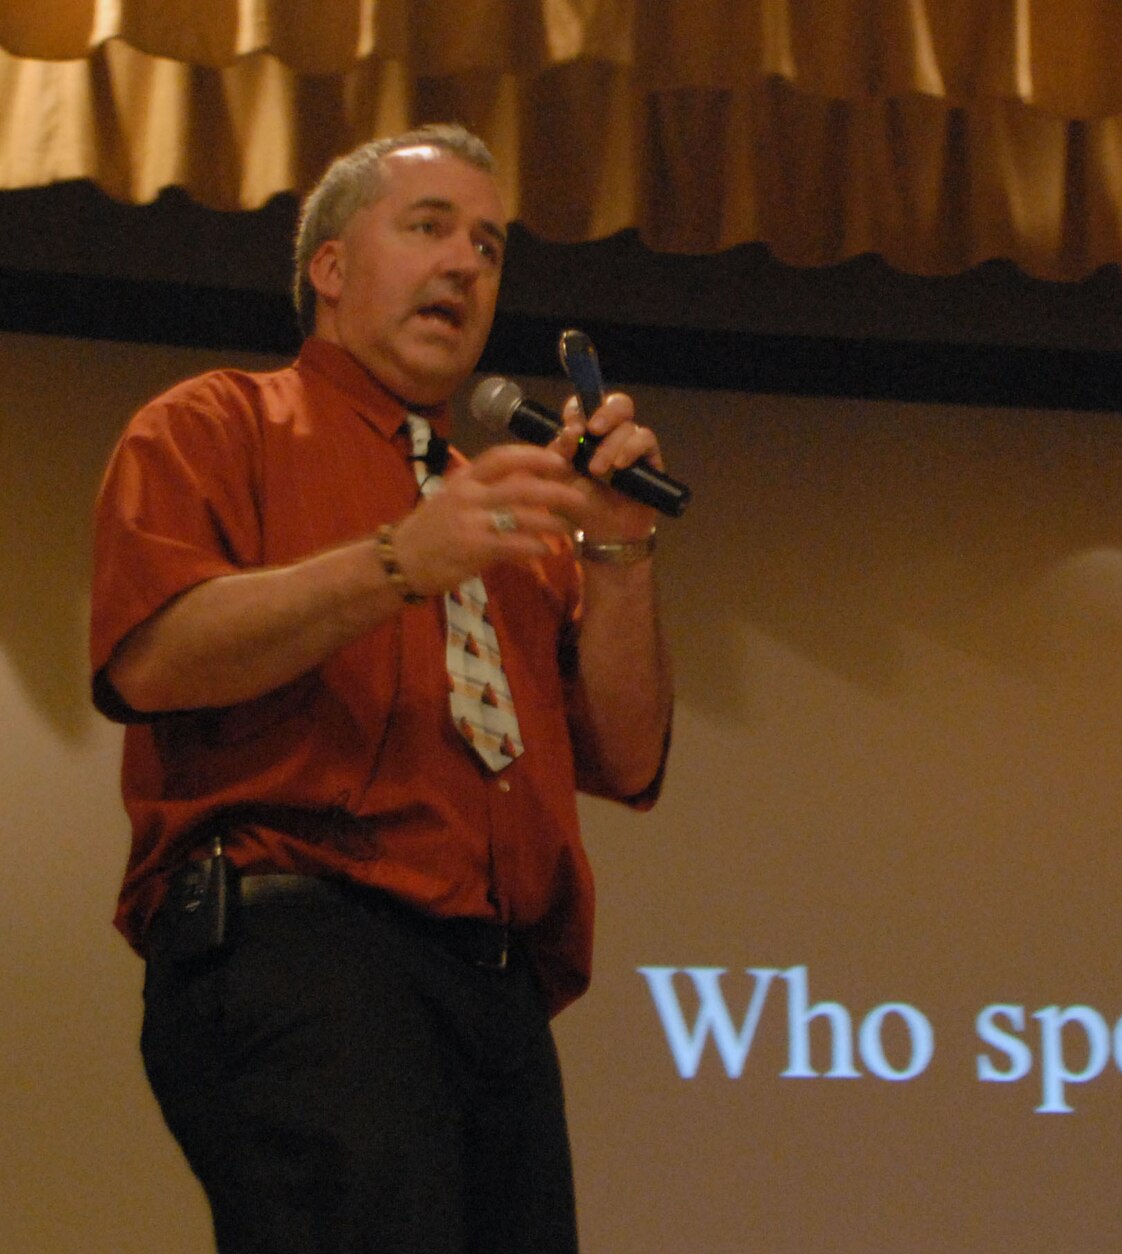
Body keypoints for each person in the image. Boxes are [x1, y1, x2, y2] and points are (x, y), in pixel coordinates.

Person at [88, 123, 673, 1253]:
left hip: (495, 993)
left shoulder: (501, 506)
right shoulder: (215, 425)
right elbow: (153, 657)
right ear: (332, 268)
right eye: (429, 227)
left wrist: (620, 546)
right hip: (301, 945)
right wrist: (400, 561)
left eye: (490, 246)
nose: (467, 263)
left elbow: (631, 756)